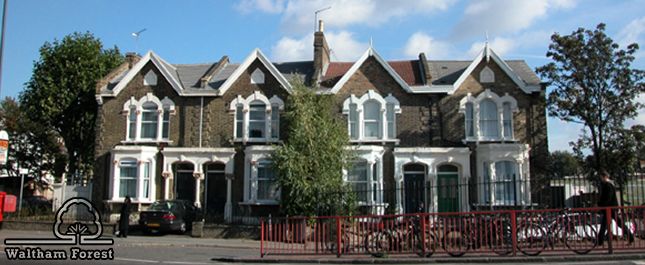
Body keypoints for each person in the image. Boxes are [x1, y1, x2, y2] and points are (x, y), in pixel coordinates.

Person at [597, 170, 634, 245]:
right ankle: (600, 241)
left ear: (605, 177)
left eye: (601, 177)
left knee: (609, 224)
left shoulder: (608, 185)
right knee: (613, 224)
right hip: (611, 208)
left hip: (610, 208)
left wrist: (600, 204)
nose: (601, 179)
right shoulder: (609, 185)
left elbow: (608, 198)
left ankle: (600, 241)